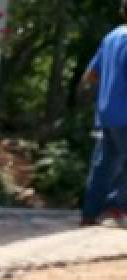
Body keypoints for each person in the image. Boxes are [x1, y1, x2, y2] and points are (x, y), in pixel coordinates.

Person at [80, 0, 127, 226]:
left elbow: (90, 75)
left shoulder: (111, 37)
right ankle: (118, 210)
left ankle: (90, 213)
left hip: (106, 113)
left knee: (103, 165)